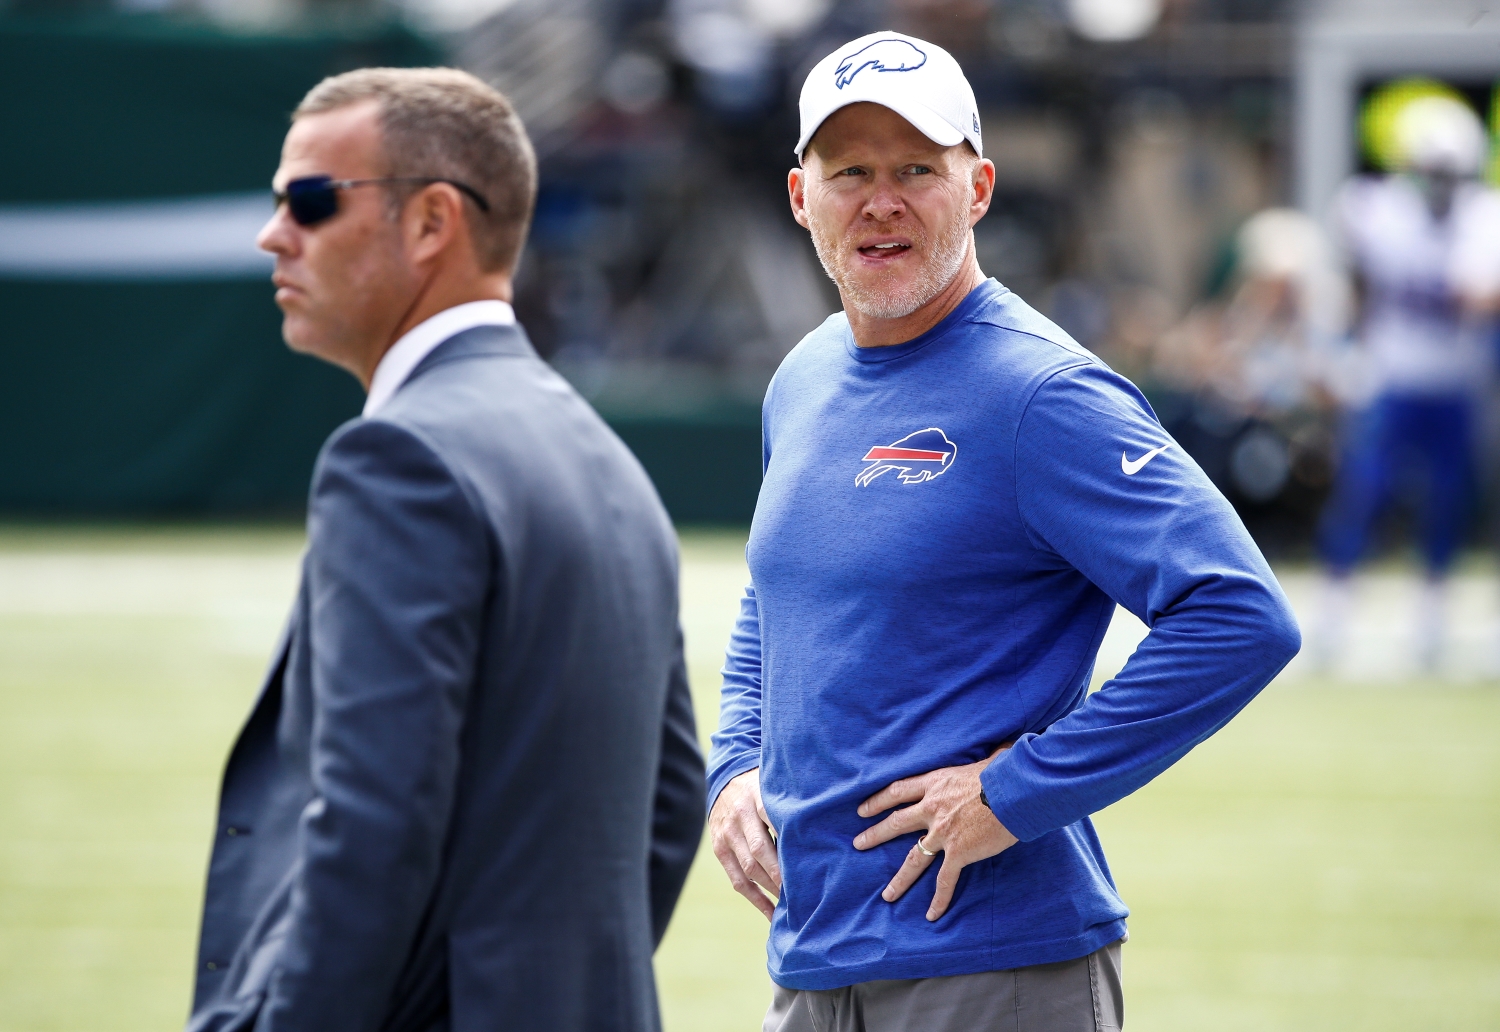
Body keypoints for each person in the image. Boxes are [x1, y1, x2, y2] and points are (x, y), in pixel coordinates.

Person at [706, 32, 1301, 1031]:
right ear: (802, 196)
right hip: (814, 961)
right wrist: (733, 768)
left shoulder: (1042, 394)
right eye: (849, 171)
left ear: (977, 188)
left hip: (994, 973)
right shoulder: (801, 376)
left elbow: (1240, 615)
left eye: (916, 171)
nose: (880, 200)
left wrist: (1015, 791)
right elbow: (776, 590)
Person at [186, 68, 705, 1032]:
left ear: (431, 223)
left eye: (308, 199)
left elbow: (372, 826)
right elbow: (669, 811)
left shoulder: (397, 458)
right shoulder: (607, 457)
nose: (274, 233)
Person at [1315, 92, 1500, 671]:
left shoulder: (1483, 215)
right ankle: (1335, 607)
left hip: (1455, 380)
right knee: (1364, 491)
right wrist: (1339, 351)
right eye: (1429, 171)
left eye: (1447, 172)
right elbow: (1348, 287)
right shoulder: (1373, 207)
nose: (1439, 184)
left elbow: (1479, 297)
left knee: (1448, 499)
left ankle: (1431, 616)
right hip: (1390, 374)